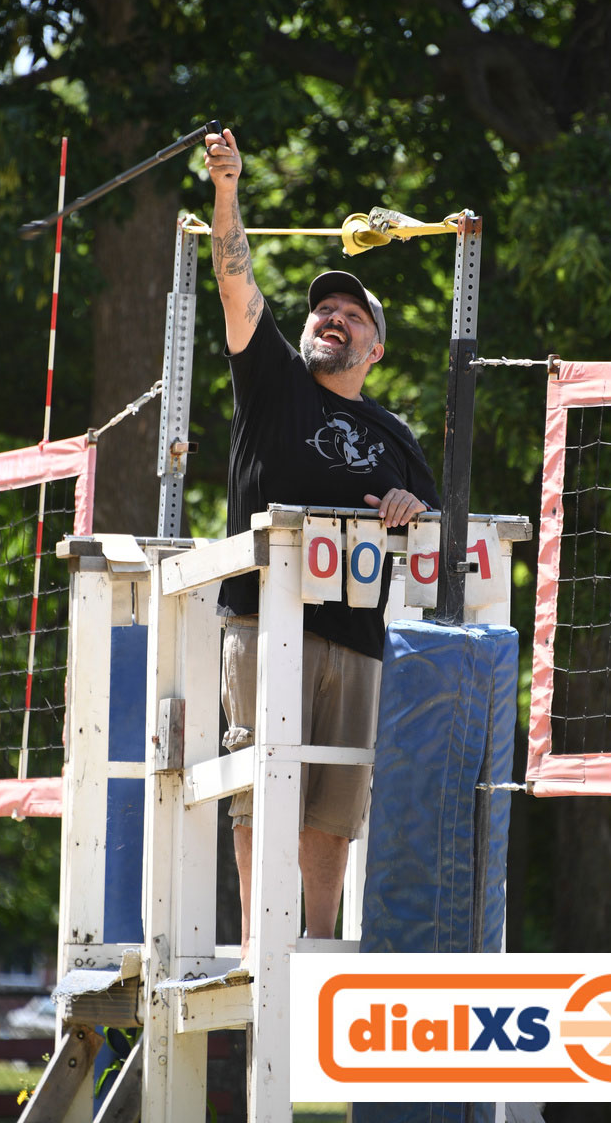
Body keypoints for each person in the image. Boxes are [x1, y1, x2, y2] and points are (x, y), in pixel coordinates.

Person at [205, 128, 439, 960]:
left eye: (351, 315)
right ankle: (256, 951)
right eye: (323, 311)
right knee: (258, 790)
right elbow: (235, 283)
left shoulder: (395, 434)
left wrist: (414, 506)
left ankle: (315, 950)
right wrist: (228, 190)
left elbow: (438, 534)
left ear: (376, 347)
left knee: (333, 812)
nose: (331, 319)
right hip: (264, 623)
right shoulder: (272, 382)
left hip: (358, 637)